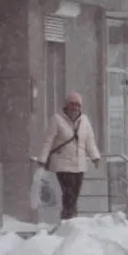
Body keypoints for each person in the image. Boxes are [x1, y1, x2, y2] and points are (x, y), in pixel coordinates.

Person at [39, 91, 101, 220]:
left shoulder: (85, 121)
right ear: (66, 105)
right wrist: (42, 159)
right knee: (69, 194)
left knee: (75, 194)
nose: (74, 107)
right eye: (72, 104)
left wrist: (95, 157)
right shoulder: (57, 119)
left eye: (77, 105)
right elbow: (48, 140)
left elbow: (90, 140)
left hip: (79, 165)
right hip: (62, 164)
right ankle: (68, 219)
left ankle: (70, 219)